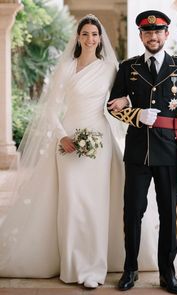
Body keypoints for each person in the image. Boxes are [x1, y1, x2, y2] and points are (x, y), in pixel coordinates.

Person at [0, 14, 128, 289]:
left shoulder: (108, 68)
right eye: (85, 34)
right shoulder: (67, 67)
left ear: (99, 38)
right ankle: (72, 265)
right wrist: (61, 137)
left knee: (96, 204)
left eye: (95, 34)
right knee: (71, 202)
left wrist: (124, 100)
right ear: (78, 37)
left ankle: (94, 267)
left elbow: (123, 96)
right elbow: (49, 108)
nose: (90, 39)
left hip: (100, 140)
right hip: (67, 138)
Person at [107, 10, 177, 294]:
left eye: (158, 31)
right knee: (133, 212)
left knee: (168, 215)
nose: (153, 36)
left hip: (171, 151)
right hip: (137, 152)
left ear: (166, 34)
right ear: (141, 36)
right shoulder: (128, 68)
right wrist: (137, 114)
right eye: (147, 32)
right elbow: (112, 105)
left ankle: (167, 273)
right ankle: (130, 269)